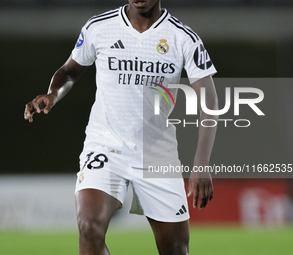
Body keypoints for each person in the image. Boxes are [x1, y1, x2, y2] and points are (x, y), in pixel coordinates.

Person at [24, 0, 218, 254]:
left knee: (176, 248)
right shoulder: (99, 27)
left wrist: (201, 162)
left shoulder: (183, 38)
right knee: (89, 227)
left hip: (157, 155)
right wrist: (52, 94)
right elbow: (69, 72)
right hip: (105, 146)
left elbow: (209, 101)